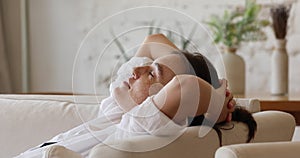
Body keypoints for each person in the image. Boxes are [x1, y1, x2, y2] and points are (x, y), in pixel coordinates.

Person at [16, 34, 238, 158]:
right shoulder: (117, 109)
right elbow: (153, 40)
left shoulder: (140, 126)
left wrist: (218, 103)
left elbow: (187, 86)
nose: (137, 69)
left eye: (151, 73)